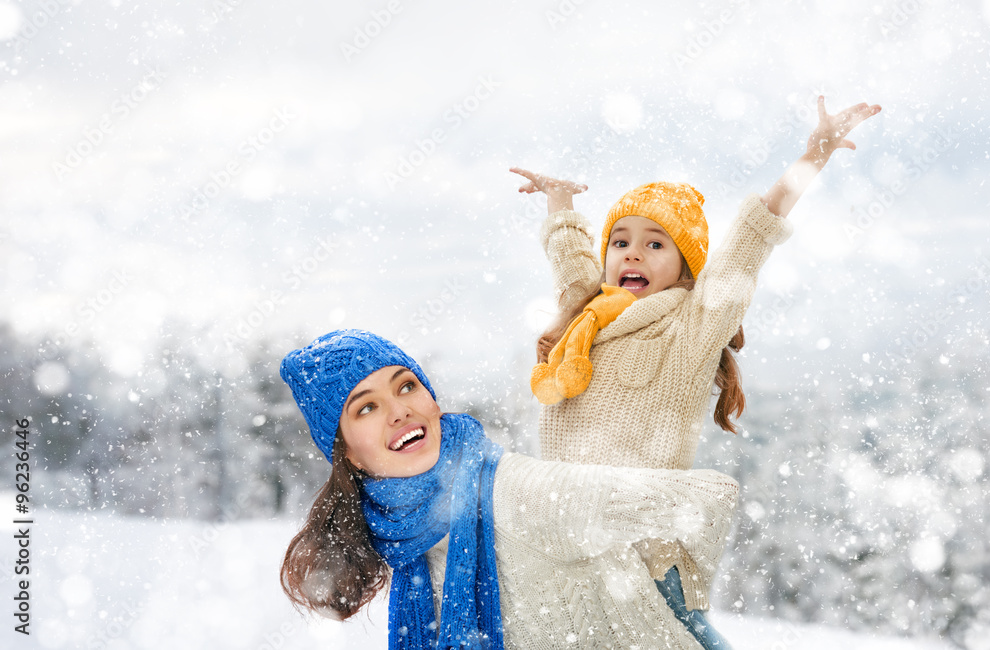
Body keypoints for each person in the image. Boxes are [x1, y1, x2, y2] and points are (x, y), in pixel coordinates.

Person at [510, 96, 882, 648]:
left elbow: (746, 246)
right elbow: (572, 258)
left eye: (655, 244)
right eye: (621, 241)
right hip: (576, 544)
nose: (632, 255)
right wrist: (560, 199)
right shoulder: (585, 315)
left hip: (648, 550)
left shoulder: (688, 329)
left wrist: (814, 157)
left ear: (685, 271)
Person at [278, 329, 741, 649]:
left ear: (432, 399)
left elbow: (710, 499)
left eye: (406, 386)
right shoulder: (403, 540)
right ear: (349, 455)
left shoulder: (517, 492)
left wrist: (664, 592)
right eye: (367, 408)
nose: (399, 410)